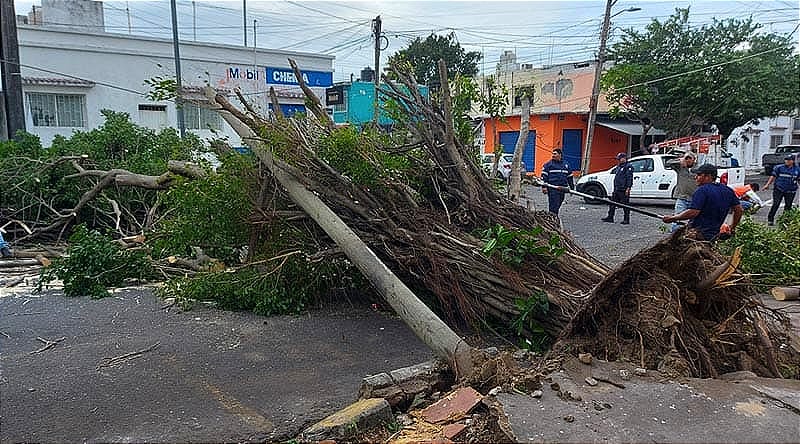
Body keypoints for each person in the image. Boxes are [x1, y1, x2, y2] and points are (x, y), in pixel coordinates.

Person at [661, 164, 743, 241]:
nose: (696, 177)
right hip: (714, 235)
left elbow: (693, 212)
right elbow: (739, 210)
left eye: (699, 175)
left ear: (708, 176)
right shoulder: (728, 190)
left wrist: (673, 218)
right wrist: (732, 227)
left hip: (698, 234)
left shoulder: (702, 190)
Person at [763, 154, 800, 226]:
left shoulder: (797, 169)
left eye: (789, 160)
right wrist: (767, 185)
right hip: (779, 189)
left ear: (792, 161)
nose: (787, 161)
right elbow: (773, 176)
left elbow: (798, 179)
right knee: (776, 204)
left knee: (788, 206)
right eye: (786, 160)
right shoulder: (779, 167)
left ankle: (785, 220)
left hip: (791, 190)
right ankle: (770, 219)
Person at [668, 152, 698, 232]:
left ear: (694, 159)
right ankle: (673, 236)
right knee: (677, 218)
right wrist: (680, 160)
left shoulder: (698, 169)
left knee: (694, 220)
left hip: (694, 199)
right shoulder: (680, 167)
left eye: (689, 158)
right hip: (682, 198)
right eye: (686, 158)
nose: (688, 160)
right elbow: (668, 162)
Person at [601, 152, 634, 224]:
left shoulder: (628, 167)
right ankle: (610, 217)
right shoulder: (619, 166)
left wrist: (628, 188)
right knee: (612, 203)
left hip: (623, 189)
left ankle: (626, 219)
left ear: (624, 158)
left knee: (625, 205)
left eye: (619, 159)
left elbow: (629, 178)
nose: (618, 160)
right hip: (617, 188)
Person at [541, 148, 574, 215]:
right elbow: (544, 177)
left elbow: (570, 177)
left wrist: (572, 188)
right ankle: (552, 218)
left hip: (562, 189)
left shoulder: (566, 165)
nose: (553, 155)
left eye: (555, 154)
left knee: (558, 204)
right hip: (553, 188)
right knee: (553, 205)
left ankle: (554, 216)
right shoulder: (548, 165)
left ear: (560, 155)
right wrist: (544, 187)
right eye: (552, 154)